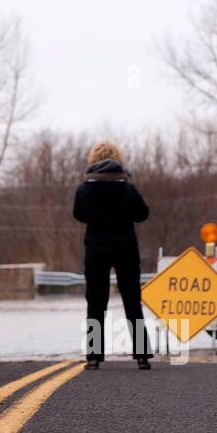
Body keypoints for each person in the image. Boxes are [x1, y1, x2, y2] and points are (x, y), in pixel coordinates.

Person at [72, 142, 152, 370]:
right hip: (125, 248)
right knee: (132, 301)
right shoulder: (128, 188)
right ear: (118, 160)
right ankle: (142, 356)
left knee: (96, 302)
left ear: (92, 160)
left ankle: (94, 357)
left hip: (96, 249)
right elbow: (142, 214)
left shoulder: (84, 189)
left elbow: (78, 214)